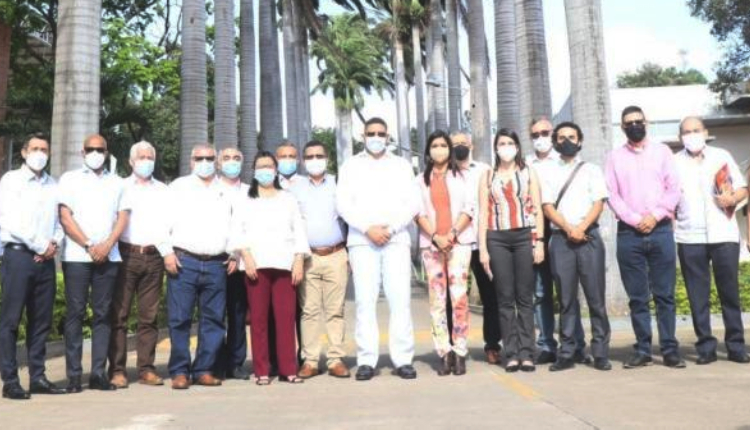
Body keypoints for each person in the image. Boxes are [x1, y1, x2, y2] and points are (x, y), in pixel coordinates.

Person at [337, 117, 420, 381]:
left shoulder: (401, 166)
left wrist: (391, 229)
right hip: (362, 241)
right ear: (363, 136)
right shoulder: (351, 166)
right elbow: (343, 204)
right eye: (371, 133)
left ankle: (403, 359)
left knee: (400, 301)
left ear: (387, 136)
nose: (376, 138)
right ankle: (366, 360)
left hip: (396, 240)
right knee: (365, 302)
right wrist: (367, 228)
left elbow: (412, 203)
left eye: (380, 133)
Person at [605, 106, 685, 369]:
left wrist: (655, 215)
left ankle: (670, 350)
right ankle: (642, 350)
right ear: (622, 127)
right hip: (629, 234)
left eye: (638, 121)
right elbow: (612, 194)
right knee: (638, 297)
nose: (634, 126)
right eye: (629, 123)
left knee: (665, 295)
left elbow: (674, 188)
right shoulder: (614, 157)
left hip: (660, 230)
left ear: (646, 122)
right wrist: (634, 219)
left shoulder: (662, 152)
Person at [674, 116, 749, 364]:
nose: (692, 135)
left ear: (706, 132)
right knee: (698, 296)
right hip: (689, 235)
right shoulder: (674, 162)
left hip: (723, 233)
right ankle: (705, 347)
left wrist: (733, 199)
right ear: (680, 137)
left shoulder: (721, 156)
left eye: (696, 130)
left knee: (729, 293)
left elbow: (742, 188)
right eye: (687, 131)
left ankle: (736, 346)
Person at [230, 151, 310, 385]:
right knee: (259, 319)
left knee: (286, 319)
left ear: (276, 171)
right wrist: (246, 256)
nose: (265, 170)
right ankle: (262, 370)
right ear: (254, 171)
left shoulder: (288, 199)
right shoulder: (245, 199)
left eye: (269, 166)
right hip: (256, 265)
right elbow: (236, 231)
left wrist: (299, 259)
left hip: (285, 265)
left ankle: (288, 369)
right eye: (260, 166)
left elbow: (298, 230)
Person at [58, 134, 130, 392]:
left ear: (107, 152)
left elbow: (123, 217)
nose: (95, 153)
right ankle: (74, 376)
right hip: (78, 257)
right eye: (91, 149)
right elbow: (65, 217)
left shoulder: (118, 182)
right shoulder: (70, 179)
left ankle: (98, 373)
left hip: (108, 257)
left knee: (103, 315)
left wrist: (107, 245)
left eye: (100, 149)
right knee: (75, 314)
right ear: (82, 152)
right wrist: (89, 245)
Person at [163, 144, 237, 389]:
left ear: (216, 161)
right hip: (184, 261)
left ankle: (204, 369)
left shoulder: (226, 191)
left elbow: (236, 225)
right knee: (180, 319)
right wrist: (166, 253)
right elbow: (161, 223)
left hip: (217, 263)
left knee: (214, 319)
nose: (204, 162)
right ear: (191, 161)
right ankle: (180, 371)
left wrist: (235, 253)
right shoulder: (178, 187)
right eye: (199, 158)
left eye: (209, 158)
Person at [541, 122, 612, 372]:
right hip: (561, 239)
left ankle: (600, 352)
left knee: (596, 298)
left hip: (589, 238)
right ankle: (567, 352)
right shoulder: (548, 171)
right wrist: (569, 228)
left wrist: (581, 227)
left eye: (571, 137)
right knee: (566, 299)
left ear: (580, 140)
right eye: (561, 138)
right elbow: (547, 206)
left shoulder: (592, 170)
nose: (567, 141)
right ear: (555, 142)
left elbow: (598, 203)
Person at [0, 133, 66, 399]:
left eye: (44, 149)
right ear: (24, 152)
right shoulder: (11, 181)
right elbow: (10, 220)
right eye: (35, 148)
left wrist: (53, 243)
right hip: (18, 256)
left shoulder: (53, 184)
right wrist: (40, 245)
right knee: (11, 321)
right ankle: (10, 380)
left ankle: (38, 376)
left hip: (45, 260)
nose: (40, 154)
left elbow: (59, 222)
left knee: (41, 321)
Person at [479, 128, 544, 373]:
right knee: (505, 298)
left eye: (510, 143)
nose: (505, 147)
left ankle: (527, 353)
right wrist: (483, 249)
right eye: (501, 143)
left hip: (523, 236)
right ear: (496, 148)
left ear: (517, 146)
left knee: (524, 297)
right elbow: (483, 214)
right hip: (497, 238)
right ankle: (512, 353)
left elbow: (537, 208)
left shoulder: (528, 172)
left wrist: (539, 242)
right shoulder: (488, 176)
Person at [526, 117, 587, 365]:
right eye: (535, 134)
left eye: (544, 133)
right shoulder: (525, 164)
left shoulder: (564, 160)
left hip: (563, 230)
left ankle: (576, 344)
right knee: (540, 292)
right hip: (536, 232)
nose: (540, 138)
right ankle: (546, 345)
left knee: (568, 292)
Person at [108, 141, 169, 389]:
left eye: (149, 157)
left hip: (154, 256)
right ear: (131, 162)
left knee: (149, 317)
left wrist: (167, 252)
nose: (146, 161)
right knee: (119, 316)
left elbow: (169, 223)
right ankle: (117, 370)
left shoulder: (163, 190)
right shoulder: (120, 187)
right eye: (141, 157)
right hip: (126, 254)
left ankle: (146, 369)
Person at [415, 131, 475, 376]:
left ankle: (460, 351)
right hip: (432, 246)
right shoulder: (419, 181)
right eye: (435, 145)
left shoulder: (462, 176)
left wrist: (451, 234)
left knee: (459, 298)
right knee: (437, 301)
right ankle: (443, 352)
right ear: (428, 151)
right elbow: (418, 213)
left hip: (458, 244)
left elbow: (469, 208)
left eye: (443, 145)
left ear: (450, 150)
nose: (439, 149)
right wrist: (436, 237)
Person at [290, 141, 351, 379]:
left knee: (335, 310)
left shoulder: (339, 184)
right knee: (309, 311)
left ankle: (336, 359)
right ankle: (311, 360)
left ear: (327, 158)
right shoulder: (295, 188)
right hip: (308, 258)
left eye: (319, 156)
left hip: (336, 254)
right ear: (303, 161)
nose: (314, 160)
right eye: (310, 156)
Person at [451, 131, 500, 364]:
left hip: (483, 242)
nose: (459, 146)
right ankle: (453, 346)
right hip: (456, 242)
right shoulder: (445, 172)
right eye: (455, 144)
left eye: (463, 143)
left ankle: (493, 344)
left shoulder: (484, 170)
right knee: (454, 297)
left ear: (471, 146)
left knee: (491, 295)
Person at [215, 147, 251, 380]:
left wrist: (237, 254)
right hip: (214, 260)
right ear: (218, 163)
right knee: (214, 314)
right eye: (226, 158)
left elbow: (251, 227)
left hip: (240, 260)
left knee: (237, 314)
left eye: (236, 158)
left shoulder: (250, 192)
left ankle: (236, 363)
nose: (232, 162)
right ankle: (215, 362)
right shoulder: (210, 190)